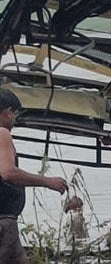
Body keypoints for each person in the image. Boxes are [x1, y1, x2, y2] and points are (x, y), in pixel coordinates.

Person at [0, 89, 68, 264]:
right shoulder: (2, 134)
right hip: (3, 221)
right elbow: (8, 172)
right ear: (7, 112)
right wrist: (47, 181)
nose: (15, 120)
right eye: (15, 115)